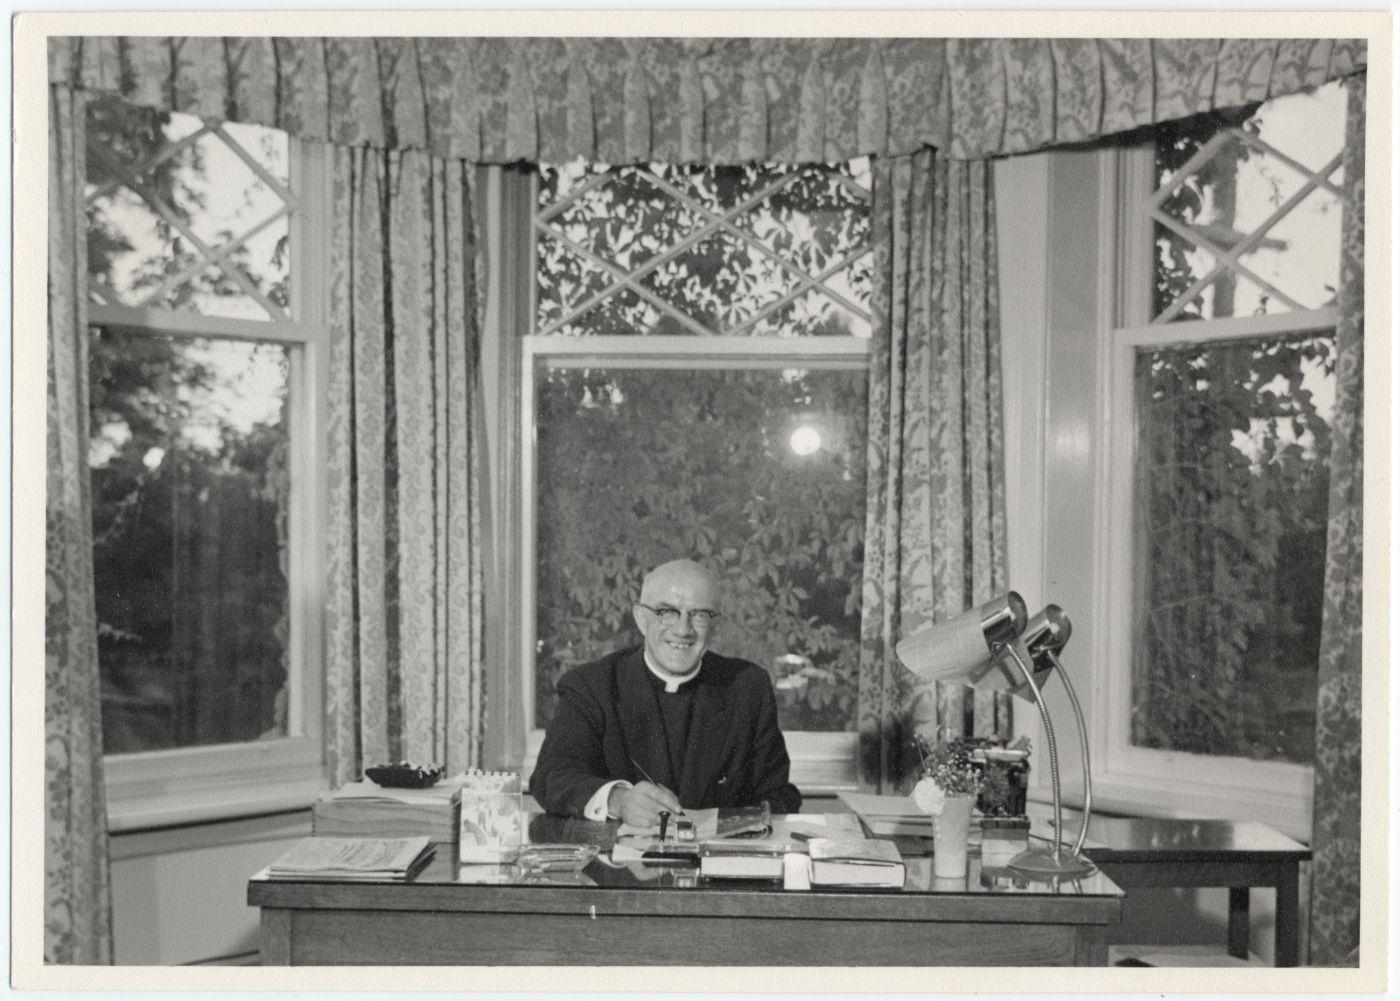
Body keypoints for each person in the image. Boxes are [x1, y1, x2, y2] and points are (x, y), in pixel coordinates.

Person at [529, 558, 802, 826]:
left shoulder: (746, 686)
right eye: (667, 612)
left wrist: (742, 823)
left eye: (699, 615)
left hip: (718, 863)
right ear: (641, 619)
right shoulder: (591, 685)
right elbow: (552, 775)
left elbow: (777, 793)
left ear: (715, 625)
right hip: (620, 866)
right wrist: (618, 800)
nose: (683, 629)